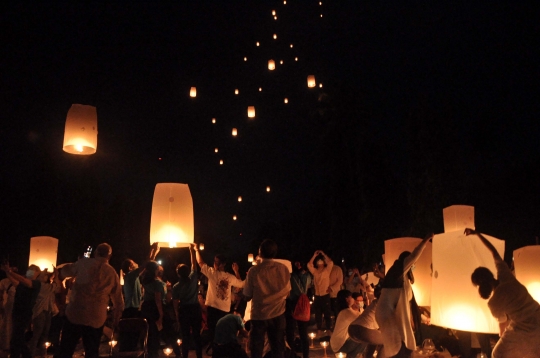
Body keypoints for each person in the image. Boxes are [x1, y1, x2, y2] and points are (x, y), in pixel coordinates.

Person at [466, 228, 540, 357]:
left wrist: (502, 338)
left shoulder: (494, 303)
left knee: (498, 353)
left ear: (479, 286)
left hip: (525, 328)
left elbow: (502, 328)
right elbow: (493, 251)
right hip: (537, 315)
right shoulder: (505, 275)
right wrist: (477, 234)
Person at [57, 243, 124, 358]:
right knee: (92, 352)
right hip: (96, 317)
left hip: (75, 312)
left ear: (96, 253)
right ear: (109, 256)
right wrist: (116, 319)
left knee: (65, 350)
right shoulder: (112, 273)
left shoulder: (83, 263)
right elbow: (118, 301)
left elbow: (63, 272)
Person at [375, 234, 432, 358]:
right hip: (386, 313)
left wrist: (423, 318)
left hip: (392, 314)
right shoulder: (396, 271)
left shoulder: (404, 280)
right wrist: (425, 241)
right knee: (396, 347)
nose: (413, 266)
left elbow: (410, 306)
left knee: (399, 345)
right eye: (411, 263)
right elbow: (413, 256)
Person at [243, 239, 291, 358]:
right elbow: (288, 293)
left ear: (260, 252)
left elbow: (247, 296)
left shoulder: (254, 271)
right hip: (278, 314)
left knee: (257, 351)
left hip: (259, 315)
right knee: (278, 350)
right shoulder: (283, 269)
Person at [193, 244, 244, 353]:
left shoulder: (213, 273)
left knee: (215, 334)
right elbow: (240, 284)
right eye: (215, 262)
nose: (214, 264)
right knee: (221, 334)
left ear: (223, 264)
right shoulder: (228, 276)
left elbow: (200, 263)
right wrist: (236, 271)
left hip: (215, 309)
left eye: (216, 262)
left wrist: (196, 250)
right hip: (222, 310)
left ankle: (218, 353)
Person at [0, 263, 42, 358]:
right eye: (29, 270)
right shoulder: (21, 284)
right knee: (17, 337)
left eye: (32, 270)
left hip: (25, 313)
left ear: (37, 273)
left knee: (16, 337)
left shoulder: (36, 284)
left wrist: (10, 271)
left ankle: (17, 355)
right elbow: (13, 280)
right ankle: (25, 355)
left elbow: (22, 279)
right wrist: (7, 271)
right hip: (16, 312)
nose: (29, 272)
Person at [173, 244, 202, 358]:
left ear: (178, 274)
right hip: (195, 309)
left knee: (185, 336)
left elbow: (175, 303)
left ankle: (185, 356)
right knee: (196, 335)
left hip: (184, 310)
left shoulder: (176, 287)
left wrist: (177, 315)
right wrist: (192, 250)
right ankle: (199, 356)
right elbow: (194, 264)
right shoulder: (193, 278)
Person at [120, 242, 159, 318]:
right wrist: (152, 250)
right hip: (131, 309)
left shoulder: (132, 277)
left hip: (132, 308)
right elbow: (146, 264)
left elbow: (148, 265)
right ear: (130, 268)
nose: (135, 264)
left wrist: (155, 252)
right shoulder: (131, 275)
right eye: (133, 263)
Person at [28, 269, 61, 357]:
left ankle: (42, 353)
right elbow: (56, 286)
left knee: (44, 334)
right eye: (45, 275)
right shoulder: (41, 286)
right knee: (37, 334)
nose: (47, 276)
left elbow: (57, 289)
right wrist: (56, 276)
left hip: (47, 311)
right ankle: (31, 353)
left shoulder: (46, 286)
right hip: (40, 312)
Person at [286, 261, 312, 358]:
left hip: (292, 303)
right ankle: (305, 356)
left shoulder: (290, 276)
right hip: (301, 304)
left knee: (290, 332)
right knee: (302, 332)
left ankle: (292, 354)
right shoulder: (307, 276)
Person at [349, 286, 385, 358]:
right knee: (387, 341)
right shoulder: (383, 303)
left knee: (375, 340)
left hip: (352, 328)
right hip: (362, 329)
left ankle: (368, 356)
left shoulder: (375, 302)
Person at [140, 260, 165, 358]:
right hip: (153, 307)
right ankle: (154, 353)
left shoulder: (144, 280)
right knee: (155, 332)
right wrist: (161, 314)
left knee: (148, 331)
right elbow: (158, 299)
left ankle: (148, 352)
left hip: (145, 306)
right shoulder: (157, 283)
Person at [330, 290, 365, 357]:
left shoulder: (359, 312)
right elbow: (364, 322)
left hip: (348, 341)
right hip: (340, 345)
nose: (361, 302)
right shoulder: (346, 312)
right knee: (365, 337)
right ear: (354, 301)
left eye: (362, 300)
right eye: (358, 300)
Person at [307, 250, 334, 335]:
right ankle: (319, 329)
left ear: (323, 264)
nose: (320, 264)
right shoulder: (315, 271)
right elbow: (309, 265)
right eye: (318, 264)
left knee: (327, 312)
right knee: (318, 313)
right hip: (317, 295)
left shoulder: (327, 270)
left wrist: (323, 254)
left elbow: (330, 263)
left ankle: (328, 329)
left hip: (325, 294)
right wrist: (314, 256)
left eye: (321, 263)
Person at [0, 268, 18, 355]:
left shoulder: (19, 280)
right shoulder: (4, 281)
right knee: (7, 324)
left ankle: (8, 345)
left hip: (13, 304)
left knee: (9, 324)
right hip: (9, 304)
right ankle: (6, 345)